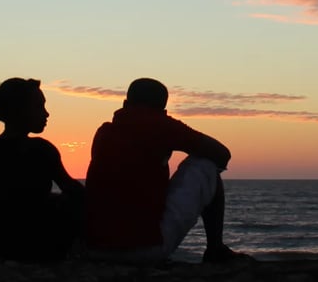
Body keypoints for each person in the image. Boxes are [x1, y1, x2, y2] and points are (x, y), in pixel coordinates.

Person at [84, 78, 248, 263]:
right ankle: (215, 249)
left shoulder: (103, 132)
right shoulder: (162, 125)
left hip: (93, 249)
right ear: (163, 110)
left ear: (125, 104)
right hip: (145, 249)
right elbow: (221, 154)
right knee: (206, 164)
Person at [0, 78, 84, 262]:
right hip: (42, 246)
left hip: (2, 245)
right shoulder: (41, 149)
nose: (46, 114)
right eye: (39, 107)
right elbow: (72, 190)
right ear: (19, 110)